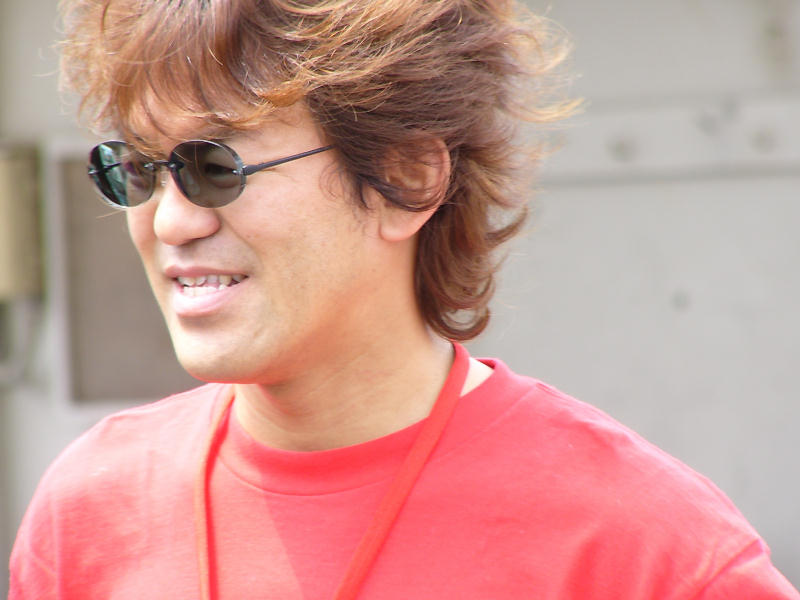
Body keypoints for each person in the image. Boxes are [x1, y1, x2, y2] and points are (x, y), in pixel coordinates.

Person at [9, 0, 799, 598]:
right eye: (138, 170)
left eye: (216, 167)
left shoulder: (647, 551)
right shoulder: (88, 516)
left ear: (407, 179)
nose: (170, 223)